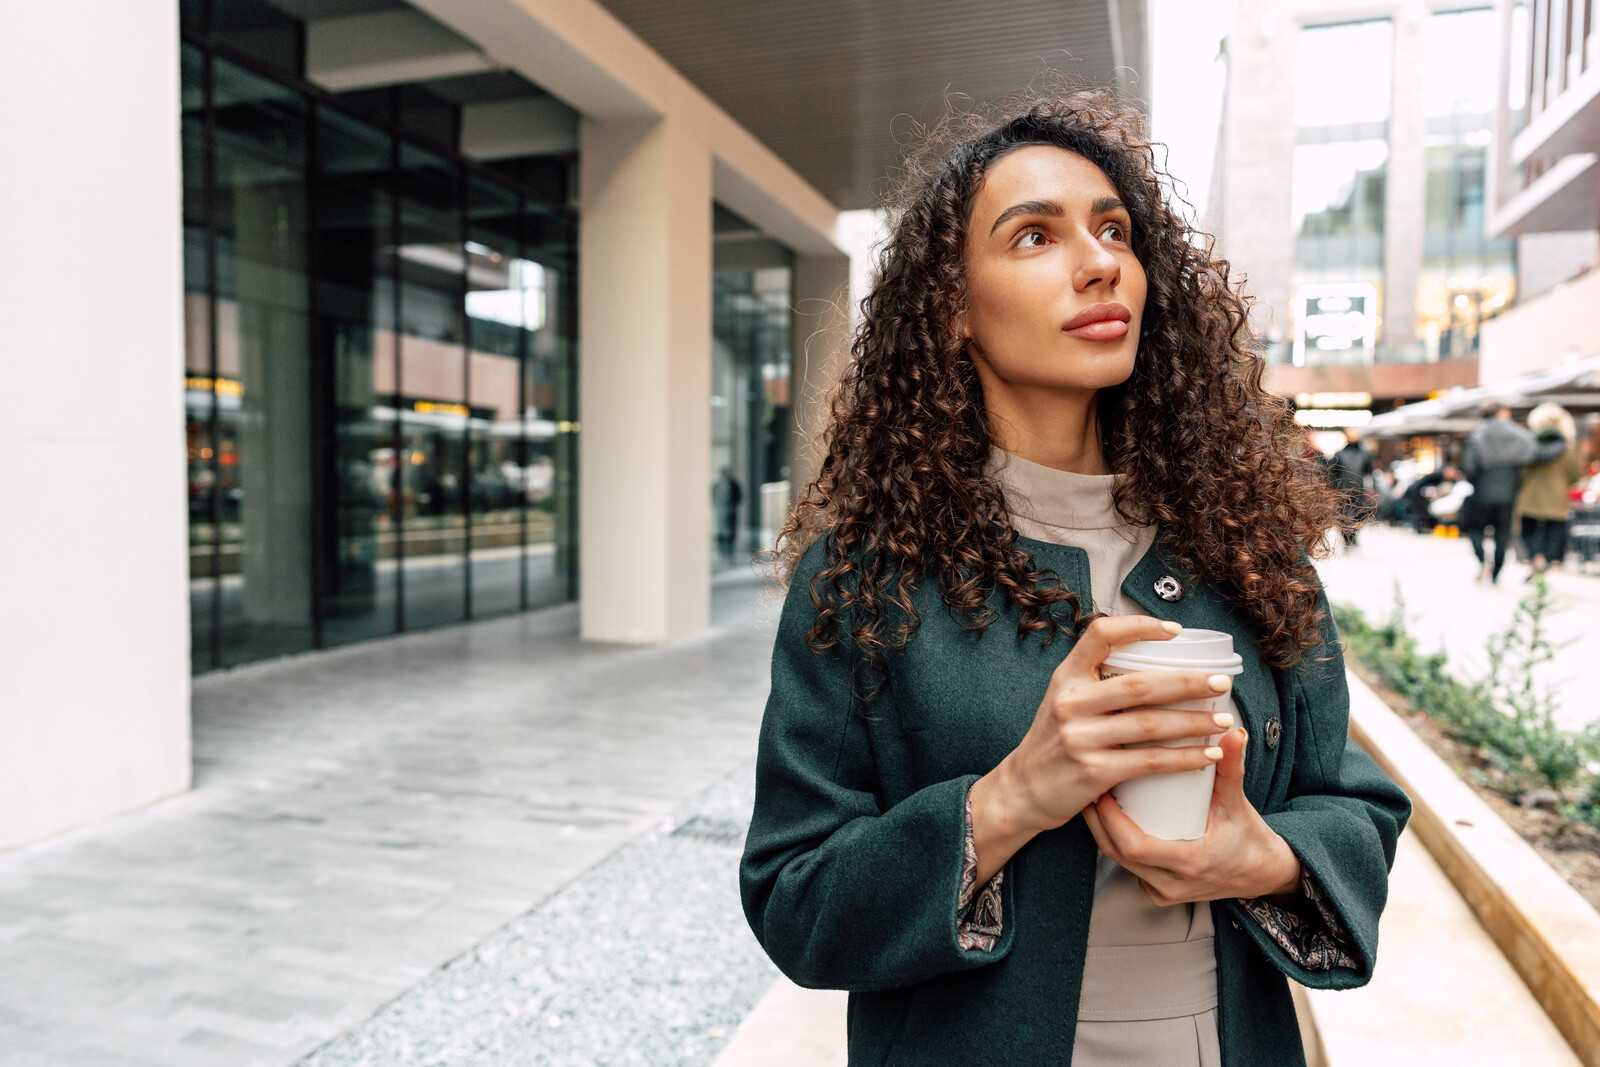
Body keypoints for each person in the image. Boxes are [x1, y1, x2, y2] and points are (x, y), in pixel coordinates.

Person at [740, 86, 1410, 1066]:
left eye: (1114, 231)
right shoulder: (863, 577)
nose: (1101, 262)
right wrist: (1012, 795)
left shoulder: (1247, 548)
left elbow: (1355, 804)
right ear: (952, 308)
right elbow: (795, 896)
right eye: (1033, 237)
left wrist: (1256, 856)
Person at [1460, 403, 1554, 582]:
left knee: (1474, 528)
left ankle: (1482, 560)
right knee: (1502, 535)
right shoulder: (1517, 434)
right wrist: (1560, 443)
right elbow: (1538, 454)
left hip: (1481, 492)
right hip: (1508, 494)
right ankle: (1496, 571)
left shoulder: (1477, 435)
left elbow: (1469, 467)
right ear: (1502, 413)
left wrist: (1477, 482)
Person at [1516, 403, 1583, 577]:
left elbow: (1520, 471)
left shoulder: (1529, 445)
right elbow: (1575, 475)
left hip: (1530, 496)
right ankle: (1546, 559)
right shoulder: (1567, 450)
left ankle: (1534, 557)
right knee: (1552, 532)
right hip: (1556, 498)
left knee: (1529, 531)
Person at [1324, 427, 1375, 546]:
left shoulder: (1365, 454)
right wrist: (1334, 489)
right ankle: (1347, 539)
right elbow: (1332, 474)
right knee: (1345, 517)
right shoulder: (1339, 454)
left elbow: (1369, 472)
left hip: (1360, 491)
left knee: (1359, 516)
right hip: (1344, 491)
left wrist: (1371, 488)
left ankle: (1353, 537)